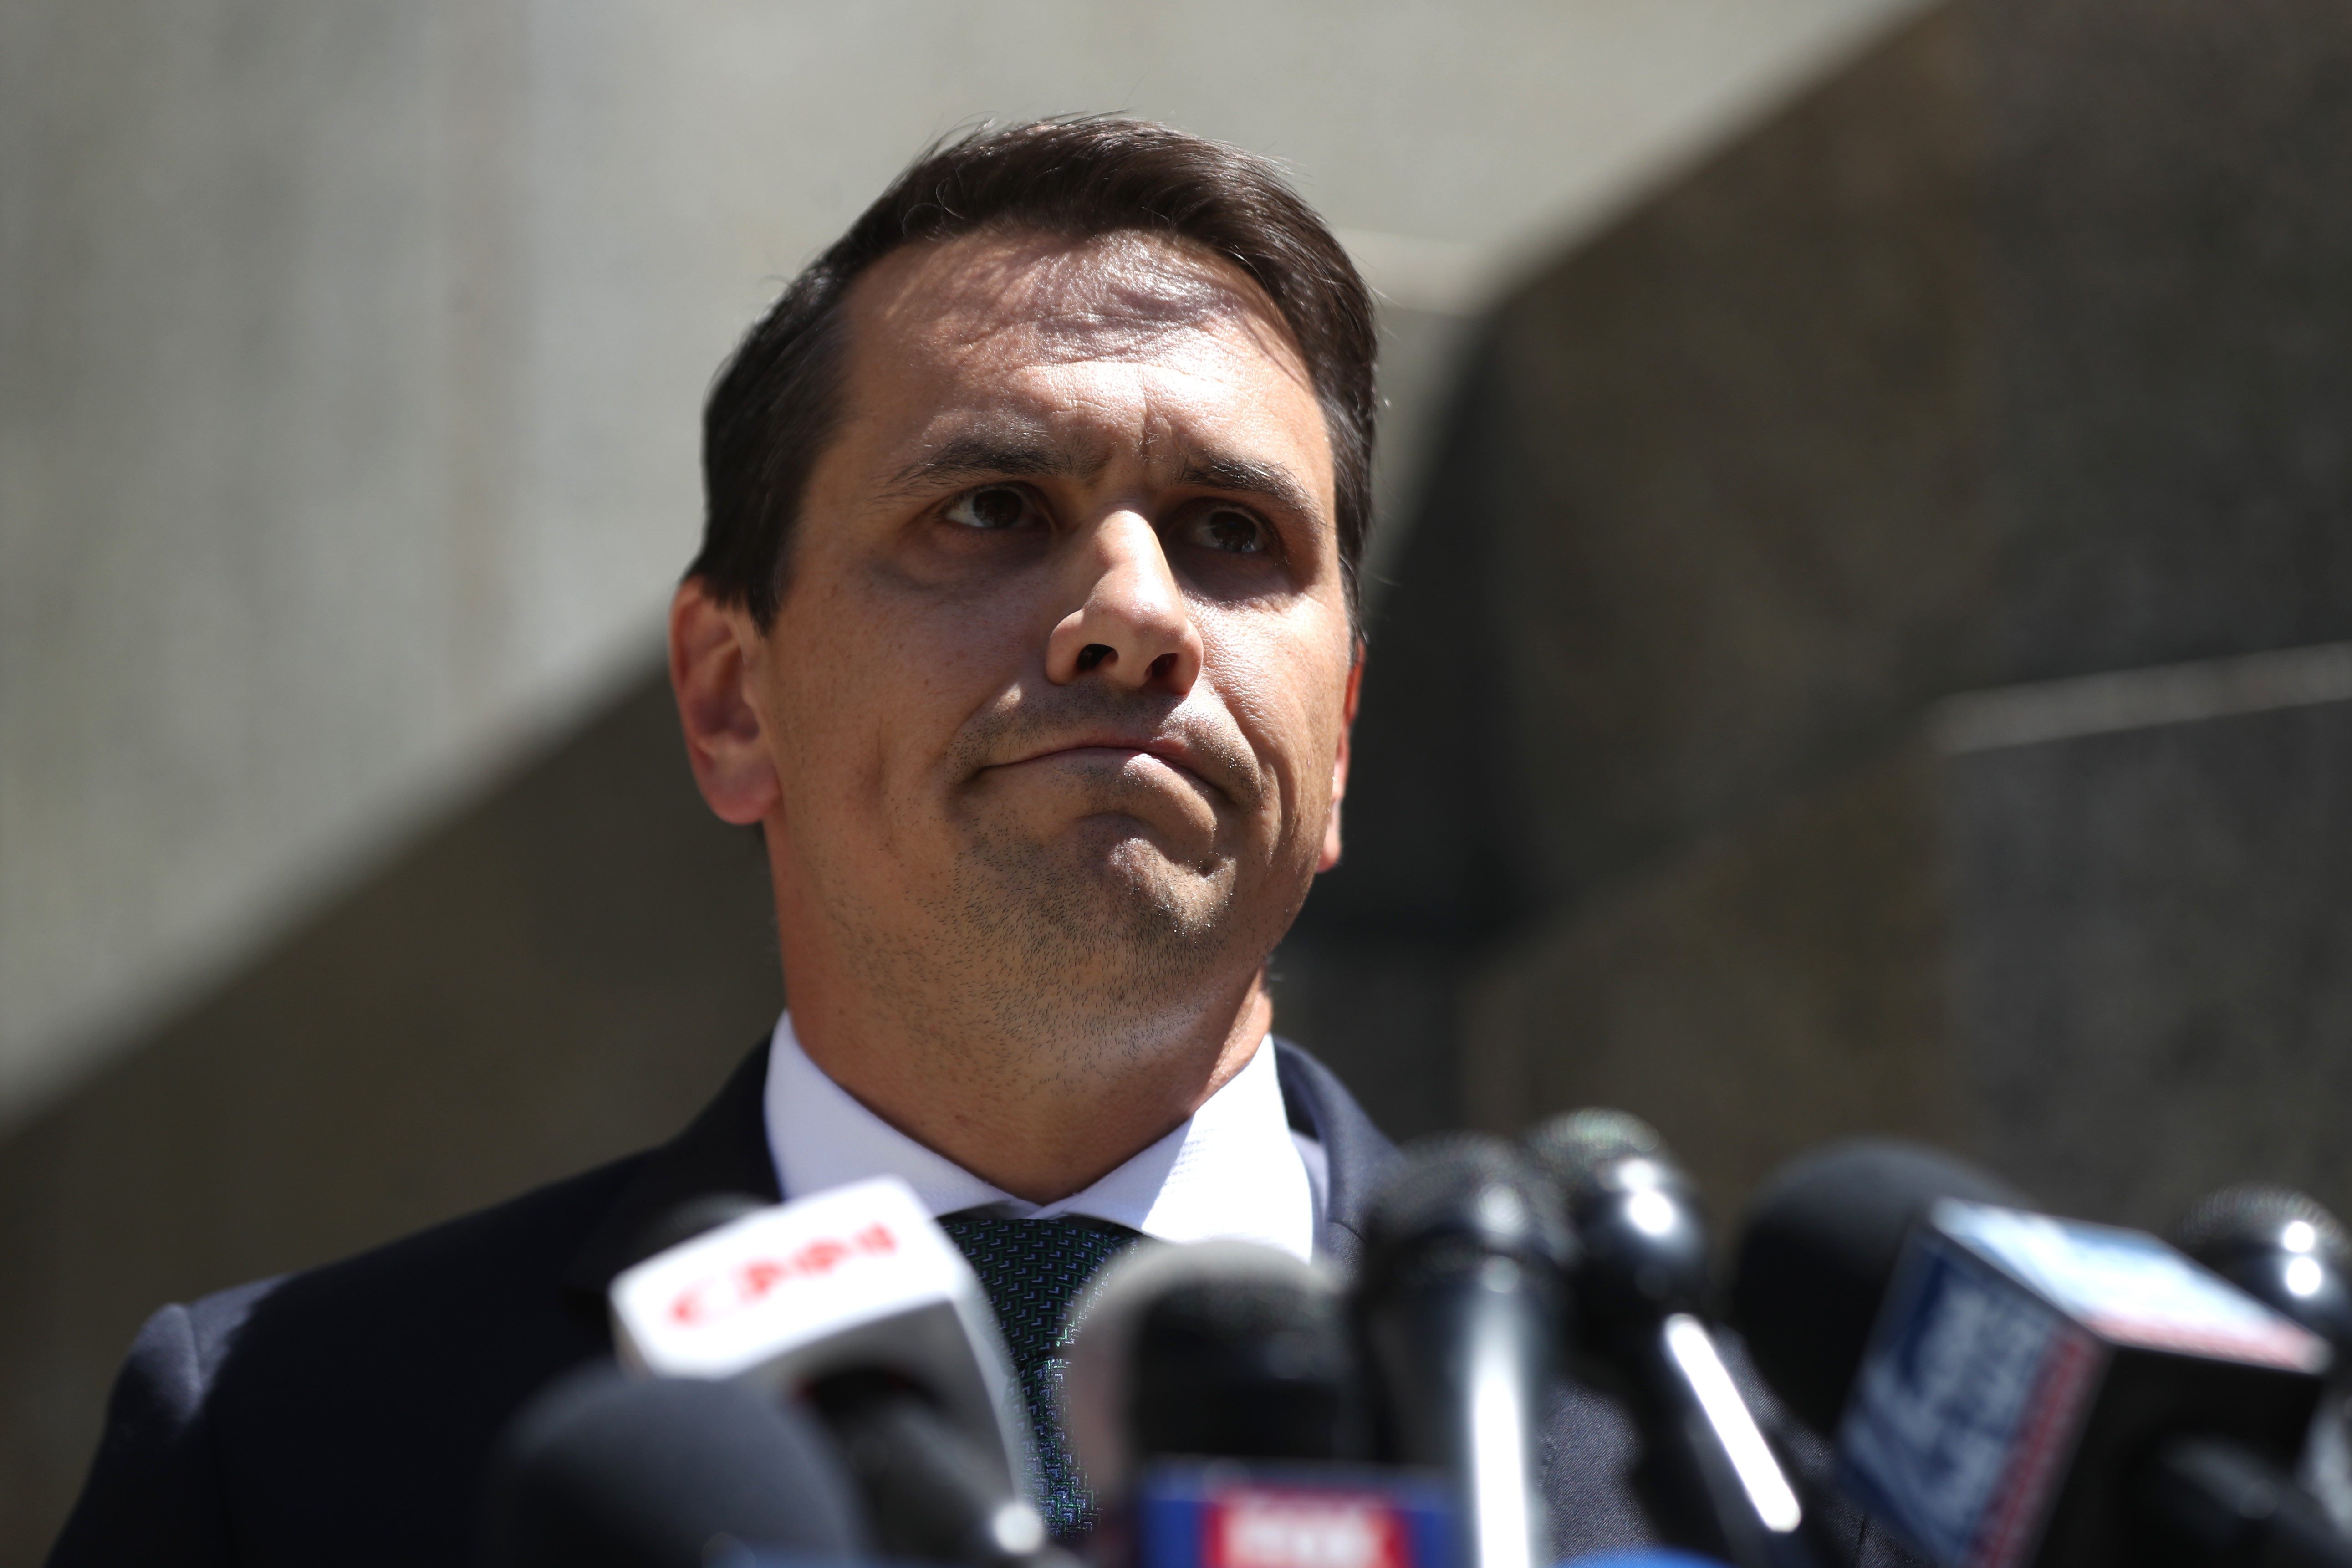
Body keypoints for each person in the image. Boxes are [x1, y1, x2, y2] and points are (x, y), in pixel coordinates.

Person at [47, 119, 1907, 1568]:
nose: (1132, 615)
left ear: (1335, 745)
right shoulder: (288, 1447)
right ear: (728, 696)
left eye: (1232, 533)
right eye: (994, 507)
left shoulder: (1705, 1459)